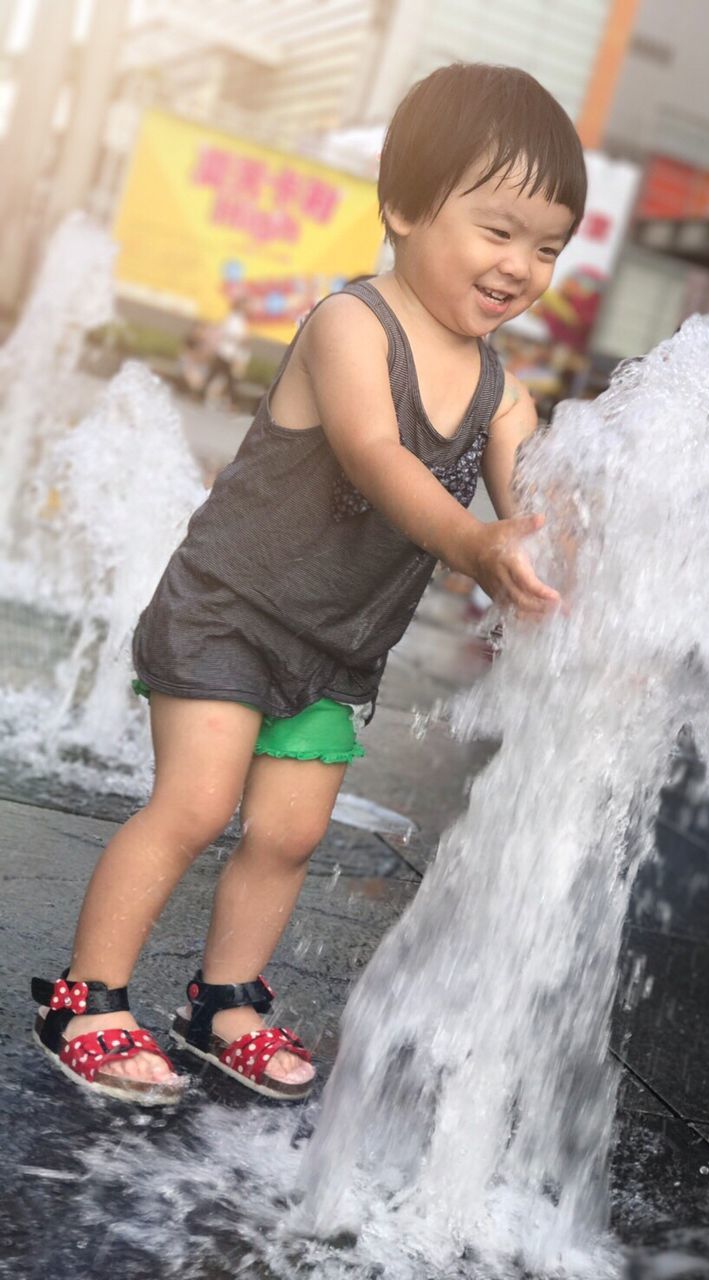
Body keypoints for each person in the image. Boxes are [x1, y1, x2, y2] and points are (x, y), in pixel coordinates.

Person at [30, 62, 587, 1104]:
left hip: (337, 647)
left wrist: (580, 570)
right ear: (406, 208)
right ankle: (88, 998)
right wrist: (473, 546)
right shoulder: (350, 325)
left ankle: (223, 1001)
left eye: (549, 245)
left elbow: (538, 499)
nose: (523, 264)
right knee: (194, 804)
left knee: (287, 833)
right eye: (500, 230)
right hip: (230, 611)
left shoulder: (504, 385)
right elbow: (380, 456)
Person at [202, 296, 250, 409]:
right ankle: (231, 402)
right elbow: (229, 333)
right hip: (226, 352)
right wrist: (240, 339)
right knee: (225, 377)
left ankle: (230, 401)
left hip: (231, 353)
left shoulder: (241, 320)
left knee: (226, 377)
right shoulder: (232, 318)